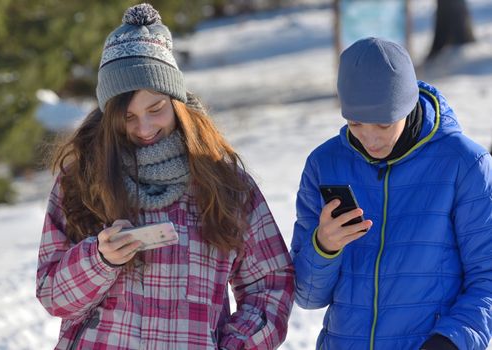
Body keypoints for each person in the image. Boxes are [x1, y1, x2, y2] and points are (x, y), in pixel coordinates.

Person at [36, 4, 294, 349]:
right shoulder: (81, 179)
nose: (144, 128)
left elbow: (271, 284)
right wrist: (100, 259)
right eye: (127, 117)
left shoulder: (226, 185)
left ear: (177, 102)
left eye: (156, 109)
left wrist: (234, 345)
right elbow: (53, 295)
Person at [291, 37, 492, 350]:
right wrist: (323, 247)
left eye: (383, 124)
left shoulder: (464, 164)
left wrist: (450, 342)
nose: (370, 138)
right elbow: (306, 295)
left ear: (407, 105)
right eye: (355, 123)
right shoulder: (324, 164)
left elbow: (487, 279)